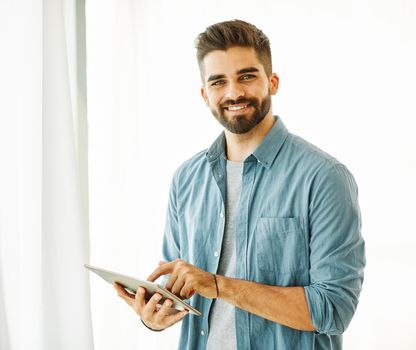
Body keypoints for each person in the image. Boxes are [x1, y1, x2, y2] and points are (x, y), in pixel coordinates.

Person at [114, 19, 366, 350]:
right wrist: (155, 316)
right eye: (219, 82)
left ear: (273, 82)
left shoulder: (324, 177)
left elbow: (333, 309)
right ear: (205, 95)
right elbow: (178, 290)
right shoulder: (186, 179)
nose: (234, 92)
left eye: (247, 76)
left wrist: (217, 285)